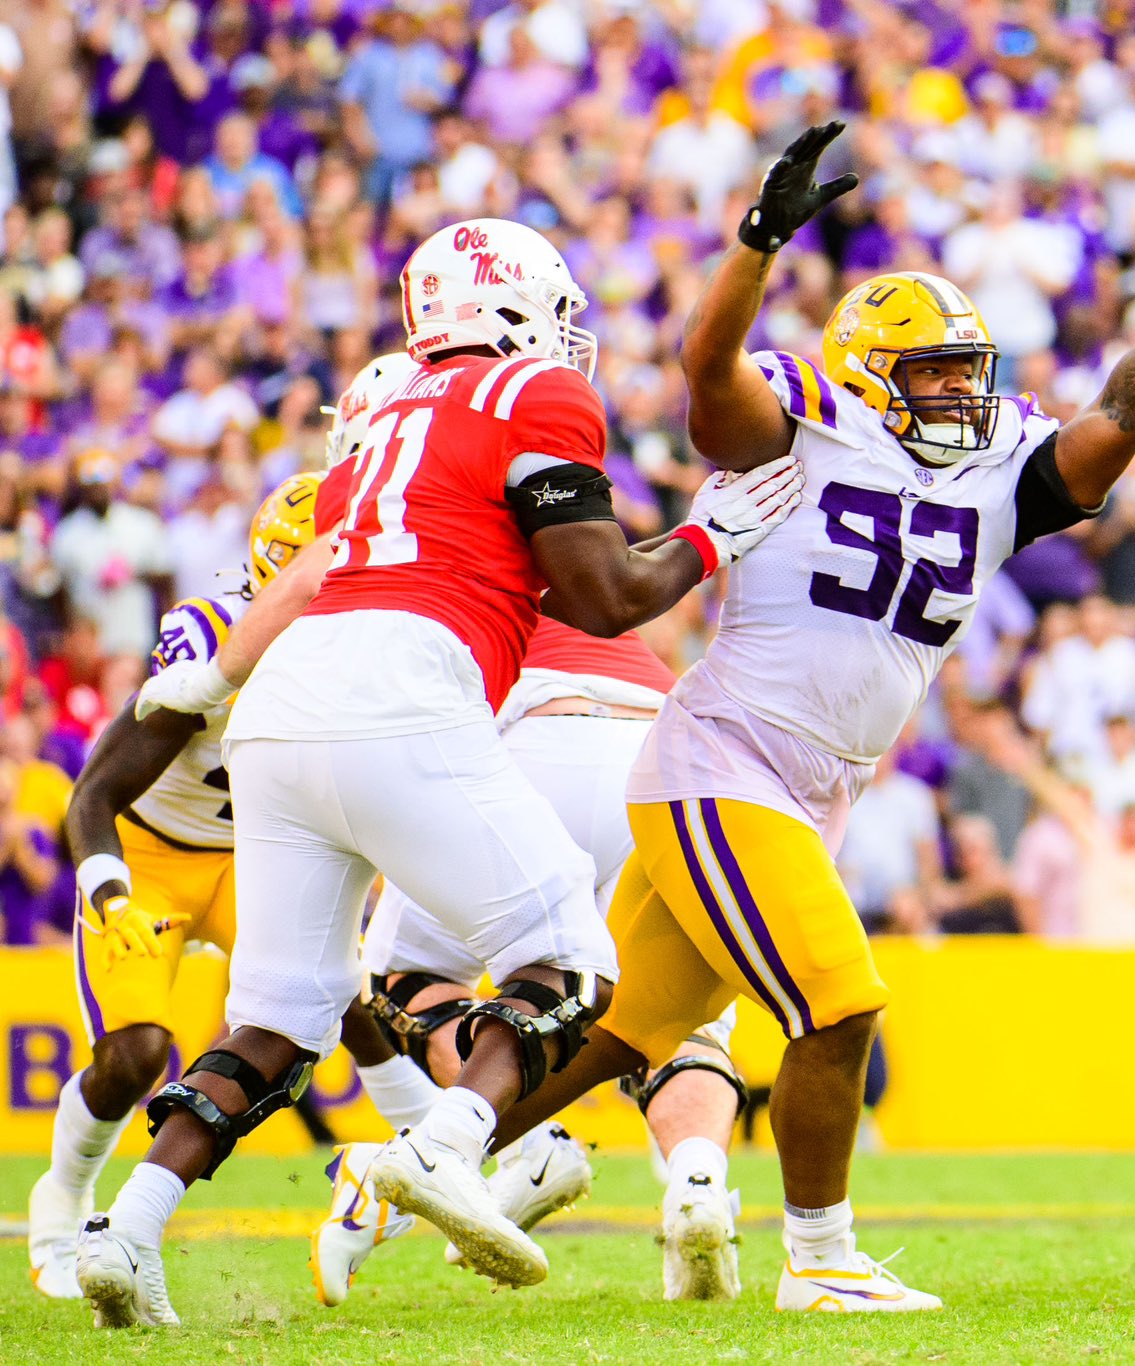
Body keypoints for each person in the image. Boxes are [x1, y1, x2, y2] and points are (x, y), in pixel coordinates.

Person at [471, 122, 1135, 1314]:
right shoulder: (805, 417)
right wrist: (754, 247)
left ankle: (410, 1164)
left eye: (967, 367)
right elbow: (706, 376)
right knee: (839, 1001)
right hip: (724, 757)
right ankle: (821, 1255)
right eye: (935, 369)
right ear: (866, 372)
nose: (959, 387)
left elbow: (1105, 432)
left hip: (815, 781)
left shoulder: (994, 462)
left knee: (611, 1033)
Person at [77, 218, 802, 1329]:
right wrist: (711, 537)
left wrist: (180, 714)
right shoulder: (536, 398)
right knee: (571, 960)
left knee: (274, 1022)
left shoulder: (371, 433)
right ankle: (443, 1144)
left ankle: (126, 1231)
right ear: (512, 308)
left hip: (280, 713)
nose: (568, 335)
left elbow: (313, 596)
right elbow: (603, 597)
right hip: (403, 692)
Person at [317, 614, 750, 1306]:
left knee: (411, 981)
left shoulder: (470, 536)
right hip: (667, 745)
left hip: (538, 729)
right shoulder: (596, 547)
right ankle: (698, 1185)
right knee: (674, 1021)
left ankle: (528, 1148)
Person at [24, 472, 319, 1302]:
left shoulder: (355, 651)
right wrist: (111, 893)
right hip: (152, 853)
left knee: (348, 994)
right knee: (137, 1052)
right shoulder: (215, 635)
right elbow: (93, 793)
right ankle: (65, 1196)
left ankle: (402, 1175)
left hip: (252, 857)